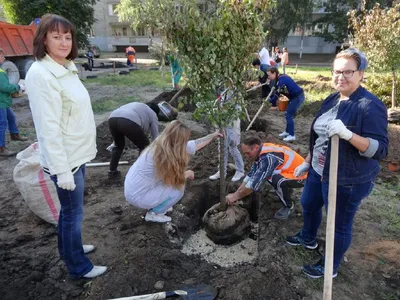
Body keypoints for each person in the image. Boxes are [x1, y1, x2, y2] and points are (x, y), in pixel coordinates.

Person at [286, 48, 388, 279]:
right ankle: (308, 237)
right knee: (309, 203)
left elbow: (379, 149)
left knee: (338, 224)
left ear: (361, 74)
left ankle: (329, 265)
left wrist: (348, 135)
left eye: (348, 72)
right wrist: (309, 161)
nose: (340, 77)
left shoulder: (369, 106)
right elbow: (321, 137)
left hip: (347, 178)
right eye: (336, 71)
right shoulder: (333, 98)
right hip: (319, 169)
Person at [25, 14, 107, 279]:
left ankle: (68, 248)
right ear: (44, 40)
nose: (63, 42)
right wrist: (61, 170)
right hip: (65, 160)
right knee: (74, 213)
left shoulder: (66, 68)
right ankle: (78, 266)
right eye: (56, 37)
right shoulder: (42, 75)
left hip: (76, 153)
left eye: (68, 37)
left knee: (69, 211)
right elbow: (48, 128)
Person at [124, 120, 222, 223]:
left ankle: (159, 203)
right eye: (184, 139)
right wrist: (187, 173)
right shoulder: (162, 157)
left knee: (172, 186)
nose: (186, 141)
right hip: (138, 195)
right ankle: (155, 214)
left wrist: (212, 136)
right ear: (178, 141)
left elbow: (195, 144)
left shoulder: (163, 144)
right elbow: (174, 180)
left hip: (136, 185)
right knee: (178, 189)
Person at [226, 135, 308, 220]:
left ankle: (288, 206)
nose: (246, 156)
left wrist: (235, 197)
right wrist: (236, 193)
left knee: (275, 179)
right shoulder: (261, 152)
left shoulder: (268, 158)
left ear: (256, 147)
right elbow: (251, 175)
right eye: (244, 153)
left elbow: (254, 185)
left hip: (302, 176)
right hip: (290, 172)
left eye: (248, 153)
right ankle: (286, 190)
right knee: (268, 176)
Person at [108, 102, 160, 179]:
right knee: (144, 146)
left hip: (112, 118)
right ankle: (138, 173)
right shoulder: (153, 114)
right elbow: (156, 137)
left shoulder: (139, 106)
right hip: (129, 120)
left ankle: (112, 171)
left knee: (118, 145)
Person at [209, 86, 245, 182]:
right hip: (221, 124)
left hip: (231, 124)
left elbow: (236, 111)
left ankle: (240, 170)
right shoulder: (221, 90)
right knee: (221, 147)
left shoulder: (234, 92)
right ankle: (221, 171)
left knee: (232, 146)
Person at [0, 48, 27, 156]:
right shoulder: (0, 73)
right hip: (1, 102)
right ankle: (1, 148)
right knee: (2, 124)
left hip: (3, 101)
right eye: (2, 56)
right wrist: (18, 87)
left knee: (11, 117)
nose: (4, 58)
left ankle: (14, 134)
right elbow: (4, 87)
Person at [266, 67, 304, 142]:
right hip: (293, 97)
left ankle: (292, 135)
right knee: (288, 114)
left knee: (289, 115)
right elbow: (276, 88)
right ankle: (287, 131)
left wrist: (269, 102)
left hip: (297, 97)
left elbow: (277, 95)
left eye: (269, 75)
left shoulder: (281, 82)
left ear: (274, 73)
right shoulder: (279, 78)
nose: (268, 77)